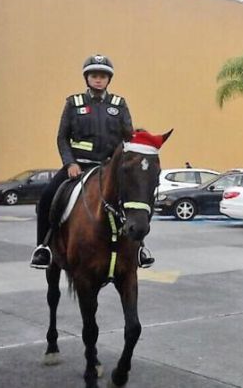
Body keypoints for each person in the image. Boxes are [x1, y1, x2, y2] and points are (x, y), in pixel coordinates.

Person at [29, 54, 155, 269]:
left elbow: (128, 136)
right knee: (48, 197)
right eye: (94, 75)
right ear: (87, 78)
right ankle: (44, 248)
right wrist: (70, 163)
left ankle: (139, 247)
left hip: (108, 168)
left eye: (103, 76)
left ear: (109, 80)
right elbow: (62, 137)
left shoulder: (119, 104)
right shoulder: (73, 103)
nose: (98, 79)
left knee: (134, 199)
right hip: (79, 166)